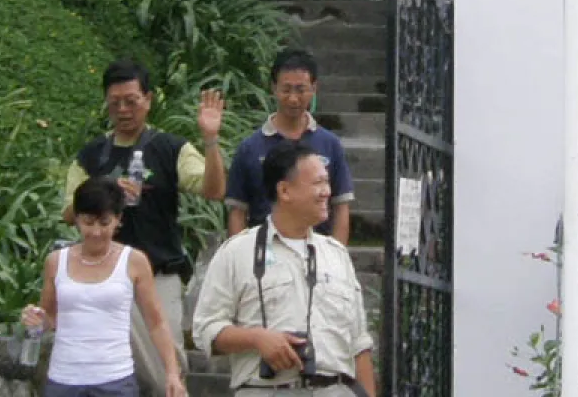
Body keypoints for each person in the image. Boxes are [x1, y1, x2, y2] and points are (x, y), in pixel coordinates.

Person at [68, 59, 226, 395]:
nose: (123, 110)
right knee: (110, 368)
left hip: (159, 274)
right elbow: (68, 212)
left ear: (148, 100)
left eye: (131, 101)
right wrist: (105, 192)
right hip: (105, 279)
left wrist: (210, 141)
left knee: (166, 369)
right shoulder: (91, 155)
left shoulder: (170, 148)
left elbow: (214, 190)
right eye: (115, 103)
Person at [193, 139, 376, 396]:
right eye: (317, 183)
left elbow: (359, 345)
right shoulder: (237, 252)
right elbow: (206, 331)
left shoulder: (336, 255)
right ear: (285, 191)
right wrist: (258, 339)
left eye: (327, 181)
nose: (326, 191)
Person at [23, 177, 187, 397]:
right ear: (77, 220)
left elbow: (156, 322)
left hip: (115, 378)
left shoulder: (134, 261)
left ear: (118, 220)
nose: (96, 232)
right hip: (64, 378)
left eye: (104, 223)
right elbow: (50, 318)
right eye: (88, 223)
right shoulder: (56, 261)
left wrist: (172, 373)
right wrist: (35, 319)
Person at [225, 48, 355, 244]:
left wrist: (337, 257)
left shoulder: (330, 144)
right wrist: (241, 258)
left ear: (314, 88)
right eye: (286, 90)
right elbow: (238, 211)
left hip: (317, 254)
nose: (293, 98)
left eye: (300, 89)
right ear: (274, 88)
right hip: (264, 254)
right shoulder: (250, 148)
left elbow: (341, 206)